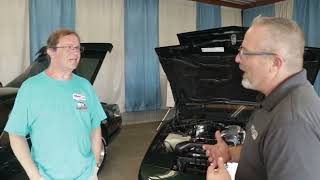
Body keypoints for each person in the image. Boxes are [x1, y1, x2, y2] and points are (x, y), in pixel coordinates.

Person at [204, 16, 320, 180]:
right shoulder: (274, 98)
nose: (237, 58)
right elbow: (263, 149)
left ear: (275, 63)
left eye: (245, 52)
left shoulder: (293, 125)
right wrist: (230, 153)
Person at [5, 28, 106, 180]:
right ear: (51, 52)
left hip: (86, 175)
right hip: (47, 176)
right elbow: (16, 135)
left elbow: (95, 126)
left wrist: (95, 166)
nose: (75, 52)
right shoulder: (31, 88)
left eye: (78, 48)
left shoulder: (85, 86)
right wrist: (34, 175)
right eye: (69, 47)